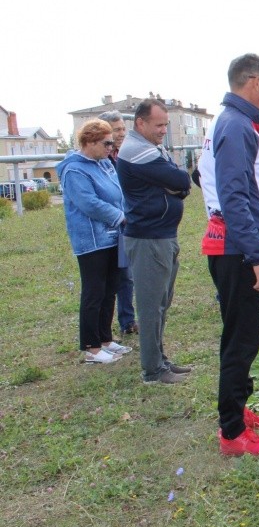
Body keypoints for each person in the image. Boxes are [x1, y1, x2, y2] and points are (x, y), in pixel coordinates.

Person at [199, 53, 259, 456]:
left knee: (242, 338)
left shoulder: (236, 123)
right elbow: (233, 196)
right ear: (253, 81)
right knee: (240, 341)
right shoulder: (235, 126)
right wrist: (257, 256)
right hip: (237, 252)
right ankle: (232, 432)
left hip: (236, 249)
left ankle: (239, 411)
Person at [116, 98, 193, 384]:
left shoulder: (151, 148)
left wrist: (175, 184)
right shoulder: (137, 150)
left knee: (162, 303)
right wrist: (175, 184)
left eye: (165, 125)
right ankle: (152, 370)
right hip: (149, 239)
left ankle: (161, 360)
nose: (163, 130)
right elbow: (181, 180)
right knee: (150, 308)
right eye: (159, 125)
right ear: (141, 123)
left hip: (162, 235)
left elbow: (178, 183)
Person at [56, 119, 132, 364]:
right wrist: (119, 216)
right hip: (91, 240)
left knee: (111, 288)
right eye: (106, 142)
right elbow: (88, 202)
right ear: (89, 142)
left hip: (113, 237)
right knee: (94, 291)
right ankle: (91, 347)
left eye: (112, 142)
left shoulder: (104, 163)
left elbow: (117, 191)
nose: (112, 147)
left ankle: (106, 339)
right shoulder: (75, 169)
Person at [99, 110, 138, 336]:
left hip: (126, 220)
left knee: (126, 273)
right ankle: (103, 331)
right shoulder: (101, 159)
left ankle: (127, 320)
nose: (122, 133)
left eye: (123, 128)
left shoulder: (125, 154)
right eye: (117, 130)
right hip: (107, 224)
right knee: (107, 278)